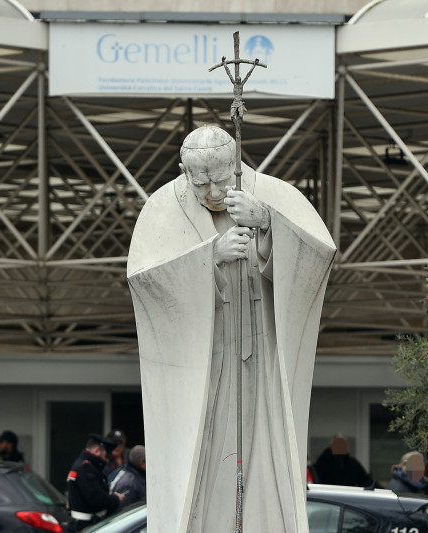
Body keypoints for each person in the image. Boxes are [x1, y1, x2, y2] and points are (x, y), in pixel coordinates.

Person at [127, 125, 336, 533]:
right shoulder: (162, 207)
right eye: (199, 181)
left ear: (237, 164)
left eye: (221, 179)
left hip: (263, 352)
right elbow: (144, 280)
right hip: (202, 358)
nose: (211, 190)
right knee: (202, 453)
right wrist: (209, 258)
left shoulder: (276, 194)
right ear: (183, 170)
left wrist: (269, 224)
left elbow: (319, 257)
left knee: (267, 451)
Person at [66, 433, 125, 532]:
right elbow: (97, 500)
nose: (106, 460)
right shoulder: (85, 469)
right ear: (97, 450)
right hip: (84, 526)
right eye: (106, 456)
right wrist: (116, 498)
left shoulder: (84, 466)